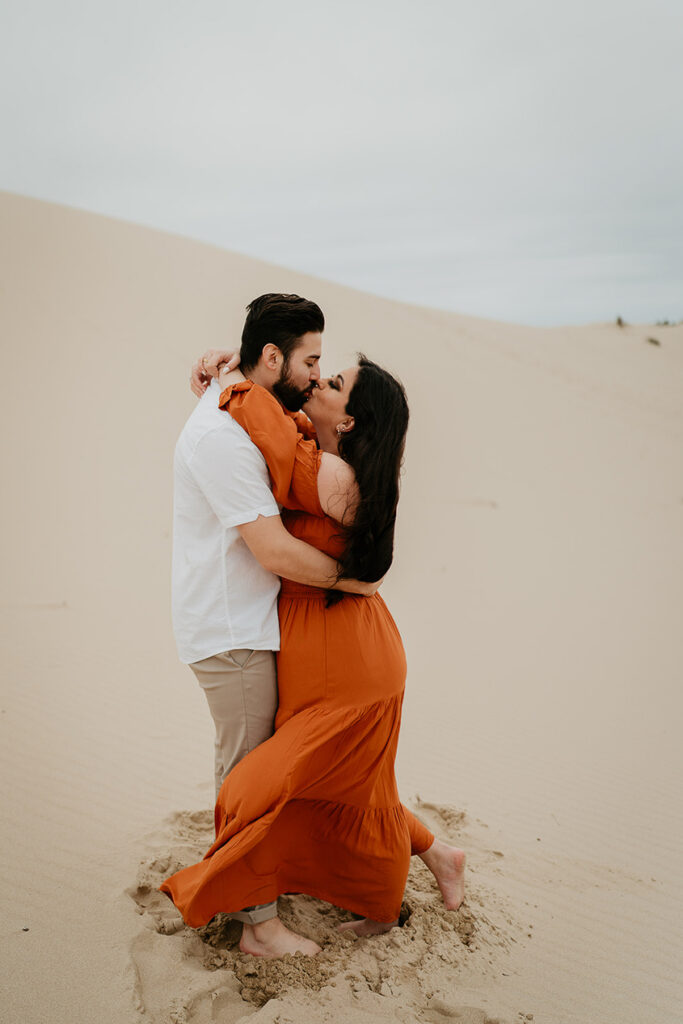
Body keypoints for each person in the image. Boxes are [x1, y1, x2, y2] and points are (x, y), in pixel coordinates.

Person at [162, 345, 466, 955]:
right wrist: (240, 368)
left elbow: (271, 435)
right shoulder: (323, 450)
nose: (317, 384)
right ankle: (439, 857)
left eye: (331, 381)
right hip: (325, 647)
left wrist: (239, 383)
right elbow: (285, 426)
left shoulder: (334, 477)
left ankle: (264, 914)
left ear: (348, 421)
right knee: (348, 789)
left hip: (348, 663)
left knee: (265, 784)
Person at [172, 293, 380, 956]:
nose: (317, 376)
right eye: (310, 361)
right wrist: (354, 584)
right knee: (246, 774)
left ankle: (264, 891)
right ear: (272, 357)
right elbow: (272, 551)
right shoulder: (224, 437)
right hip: (231, 629)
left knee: (264, 769)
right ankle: (257, 926)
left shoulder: (245, 406)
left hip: (250, 622)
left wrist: (227, 363)